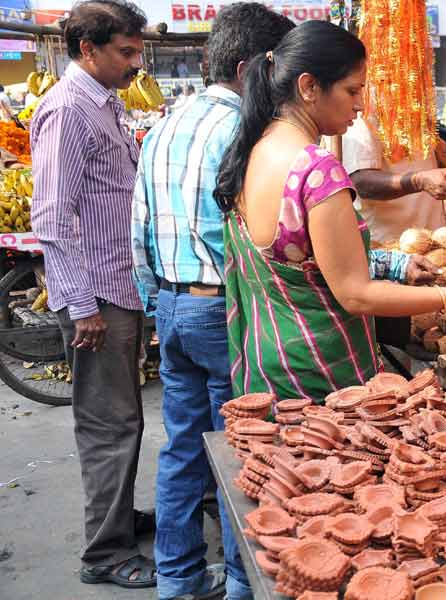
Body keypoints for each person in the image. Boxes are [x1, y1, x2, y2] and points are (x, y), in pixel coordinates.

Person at [212, 21, 446, 400]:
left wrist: (396, 265)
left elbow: (309, 261)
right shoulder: (315, 169)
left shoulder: (251, 152)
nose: (360, 104)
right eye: (352, 90)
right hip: (322, 375)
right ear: (309, 87)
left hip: (271, 364)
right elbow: (356, 295)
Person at [131, 6, 294, 599]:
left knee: (183, 447)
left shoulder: (165, 126)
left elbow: (139, 231)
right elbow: (252, 243)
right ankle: (240, 584)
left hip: (173, 306)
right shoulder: (245, 135)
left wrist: (159, 306)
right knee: (240, 454)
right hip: (221, 312)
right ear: (253, 67)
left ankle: (175, 580)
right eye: (278, 71)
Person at [30, 0, 155, 589]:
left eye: (137, 51)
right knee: (109, 424)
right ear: (88, 50)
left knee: (121, 418)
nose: (136, 64)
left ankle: (119, 519)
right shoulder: (68, 109)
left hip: (115, 288)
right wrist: (82, 306)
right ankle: (105, 553)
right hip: (96, 297)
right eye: (125, 52)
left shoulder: (101, 103)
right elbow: (54, 218)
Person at [340, 113, 446, 244]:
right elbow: (360, 182)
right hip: (392, 248)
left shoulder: (417, 103)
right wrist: (418, 181)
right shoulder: (362, 108)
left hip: (434, 239)